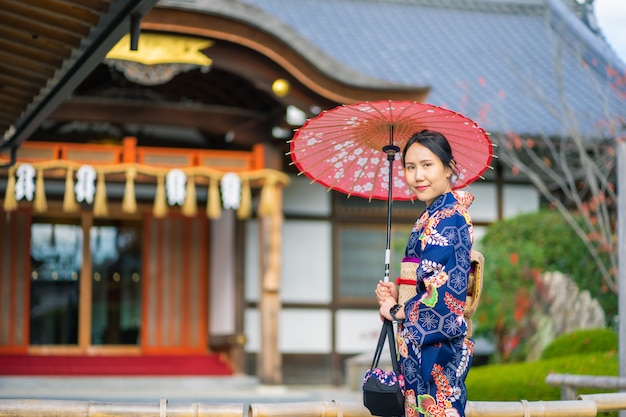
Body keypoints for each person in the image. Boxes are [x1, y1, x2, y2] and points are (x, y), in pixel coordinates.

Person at [376, 129, 475, 417]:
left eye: (427, 165)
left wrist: (396, 311)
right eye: (410, 167)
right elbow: (422, 284)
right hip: (420, 352)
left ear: (448, 168)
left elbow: (441, 295)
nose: (418, 176)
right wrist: (398, 294)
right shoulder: (431, 215)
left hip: (436, 352)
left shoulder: (450, 217)